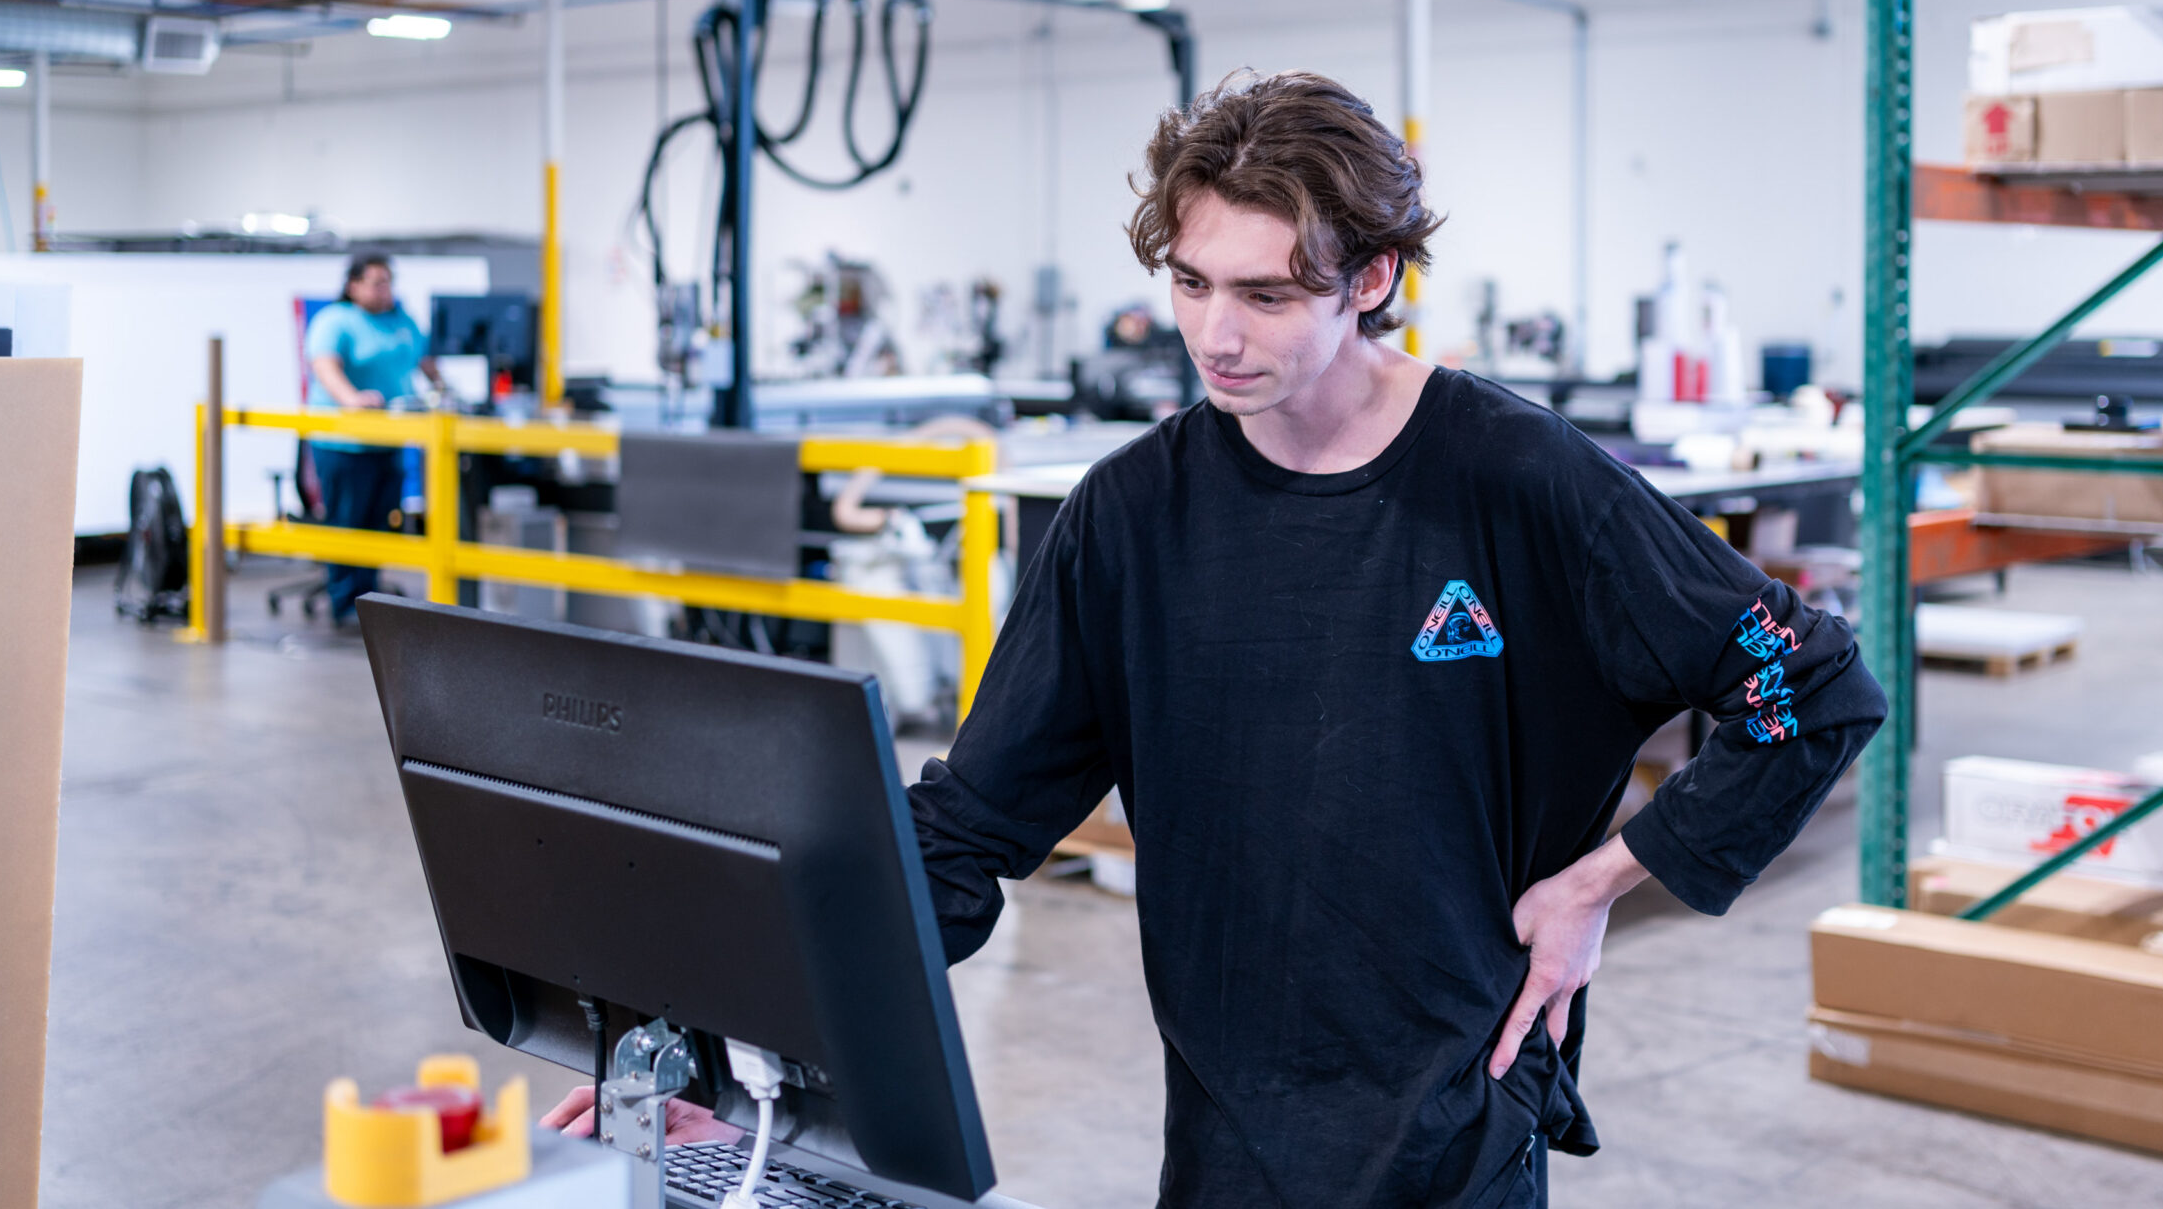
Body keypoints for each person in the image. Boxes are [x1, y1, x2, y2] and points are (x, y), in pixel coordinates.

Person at [544, 72, 1885, 1208]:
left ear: (1372, 279)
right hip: (1226, 1105)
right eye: (1190, 282)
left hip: (1457, 1105)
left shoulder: (1516, 478)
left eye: (1265, 291)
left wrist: (1599, 884)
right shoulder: (1131, 517)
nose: (1216, 335)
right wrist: (714, 1027)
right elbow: (966, 829)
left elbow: (1808, 686)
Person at [305, 252, 443, 625]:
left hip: (389, 440)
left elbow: (425, 361)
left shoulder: (401, 320)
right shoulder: (336, 320)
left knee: (381, 521)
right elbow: (325, 367)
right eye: (377, 282)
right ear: (354, 285)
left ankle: (369, 599)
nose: (385, 290)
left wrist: (444, 390)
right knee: (349, 521)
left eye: (389, 282)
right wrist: (352, 400)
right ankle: (345, 601)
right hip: (344, 445)